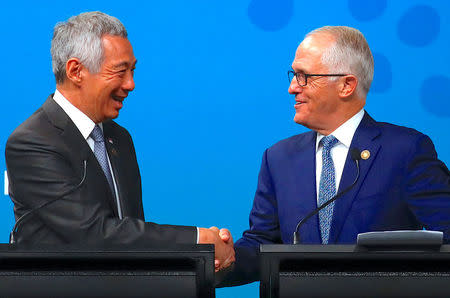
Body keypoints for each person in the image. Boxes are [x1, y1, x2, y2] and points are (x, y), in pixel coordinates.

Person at [218, 25, 450, 286]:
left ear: (346, 85)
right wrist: (225, 259)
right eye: (293, 75)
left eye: (304, 76)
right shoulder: (278, 158)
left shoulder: (405, 151)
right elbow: (262, 245)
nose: (292, 87)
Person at [5, 11, 234, 271]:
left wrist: (203, 255)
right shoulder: (32, 142)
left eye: (133, 71)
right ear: (76, 71)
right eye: (120, 71)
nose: (131, 84)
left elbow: (132, 233)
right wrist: (197, 240)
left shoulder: (118, 138)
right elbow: (93, 234)